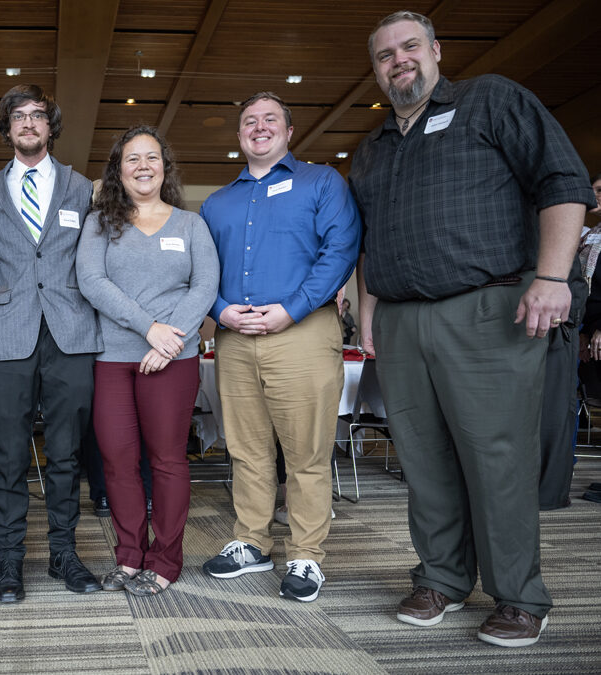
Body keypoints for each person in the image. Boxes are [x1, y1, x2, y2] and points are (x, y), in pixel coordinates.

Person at [350, 11, 594, 647]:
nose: (398, 61)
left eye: (409, 48)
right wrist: (371, 312)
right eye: (385, 56)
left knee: (496, 456)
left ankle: (518, 595)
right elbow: (371, 241)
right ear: (375, 71)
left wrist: (553, 277)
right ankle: (442, 577)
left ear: (435, 50)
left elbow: (562, 181)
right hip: (401, 319)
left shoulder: (492, 99)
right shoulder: (374, 148)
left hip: (487, 310)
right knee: (423, 460)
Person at [199, 91, 360, 603]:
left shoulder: (322, 182)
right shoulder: (216, 202)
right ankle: (251, 540)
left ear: (289, 132)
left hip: (303, 331)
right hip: (233, 335)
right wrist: (220, 309)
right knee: (245, 450)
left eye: (271, 119)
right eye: (250, 120)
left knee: (307, 451)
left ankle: (306, 553)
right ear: (239, 135)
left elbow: (341, 250)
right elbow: (200, 271)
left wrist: (291, 308)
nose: (260, 127)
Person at [0, 84, 102, 602]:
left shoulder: (81, 189)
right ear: (7, 130)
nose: (29, 123)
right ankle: (9, 561)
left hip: (71, 331)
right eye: (18, 117)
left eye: (38, 116)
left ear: (51, 127)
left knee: (67, 453)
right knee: (7, 454)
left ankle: (63, 553)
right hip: (8, 332)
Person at [77, 125, 219, 595]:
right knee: (117, 462)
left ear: (165, 167)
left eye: (152, 157)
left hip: (173, 359)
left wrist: (168, 342)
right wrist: (149, 329)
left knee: (167, 461)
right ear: (119, 170)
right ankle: (130, 556)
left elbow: (204, 287)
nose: (143, 165)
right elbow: (92, 283)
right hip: (113, 357)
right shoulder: (99, 223)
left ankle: (165, 559)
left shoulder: (190, 224)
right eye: (132, 158)